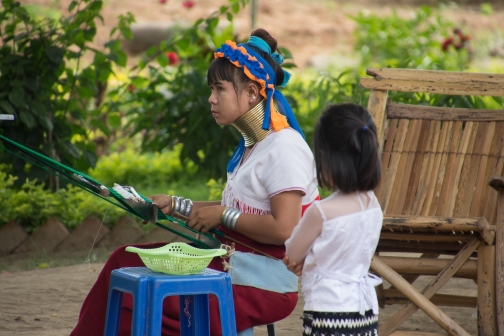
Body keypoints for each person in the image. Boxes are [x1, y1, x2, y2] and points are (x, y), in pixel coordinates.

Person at [71, 28, 319, 336]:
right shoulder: (254, 147)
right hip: (230, 270)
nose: (211, 99)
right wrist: (173, 206)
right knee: (123, 261)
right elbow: (238, 210)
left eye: (220, 89)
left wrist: (223, 215)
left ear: (253, 93)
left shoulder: (284, 148)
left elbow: (285, 228)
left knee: (146, 299)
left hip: (259, 287)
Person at [283, 103, 383, 336]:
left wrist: (303, 260)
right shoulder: (372, 205)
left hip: (327, 311)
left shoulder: (322, 211)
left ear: (325, 157)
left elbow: (293, 254)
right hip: (364, 310)